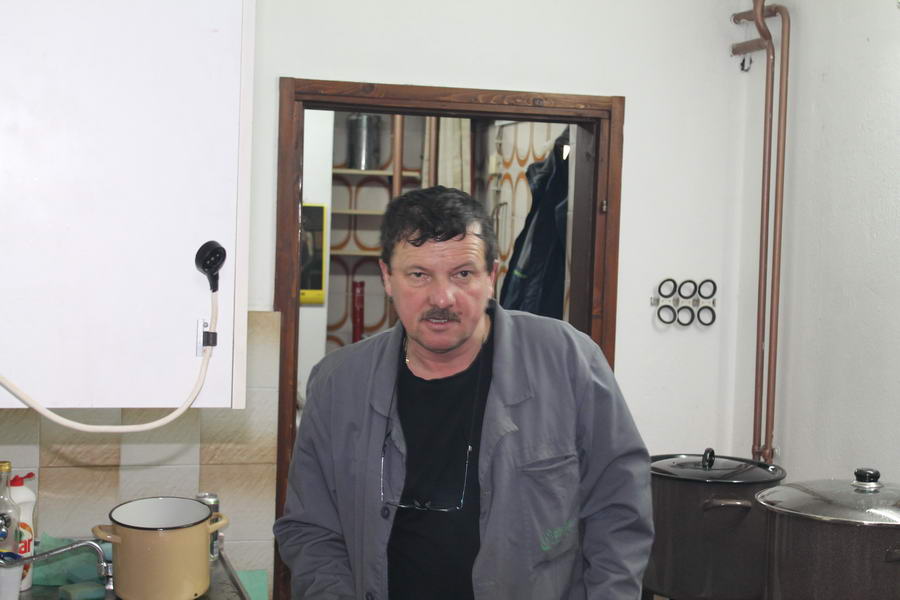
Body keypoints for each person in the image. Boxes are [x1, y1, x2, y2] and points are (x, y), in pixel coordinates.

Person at [274, 186, 653, 600]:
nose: (442, 298)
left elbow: (619, 511)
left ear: (492, 276)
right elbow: (311, 529)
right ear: (387, 277)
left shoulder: (568, 361)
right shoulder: (337, 384)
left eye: (463, 274)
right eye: (419, 275)